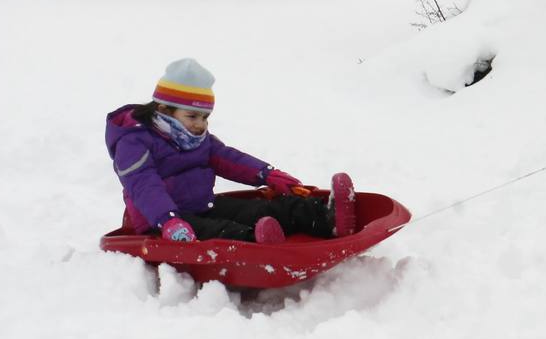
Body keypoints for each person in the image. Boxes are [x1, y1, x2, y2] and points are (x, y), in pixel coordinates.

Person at [105, 58, 357, 244]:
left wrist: (268, 175)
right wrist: (167, 220)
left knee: (258, 210)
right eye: (192, 115)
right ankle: (259, 243)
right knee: (223, 231)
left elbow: (228, 158)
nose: (200, 124)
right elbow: (143, 186)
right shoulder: (134, 141)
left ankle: (326, 217)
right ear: (164, 109)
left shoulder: (195, 136)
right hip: (162, 222)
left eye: (205, 116)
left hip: (202, 206)